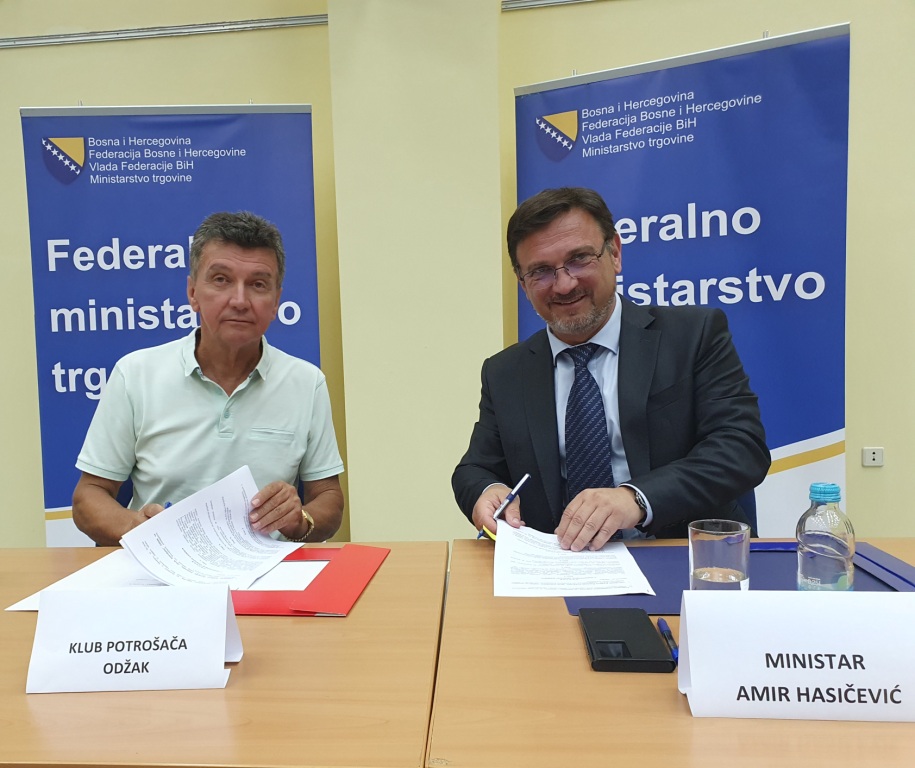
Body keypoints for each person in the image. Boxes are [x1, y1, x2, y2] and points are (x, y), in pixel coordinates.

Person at [452, 187, 770, 551]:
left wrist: (636, 498)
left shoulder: (693, 335)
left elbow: (741, 448)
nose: (564, 284)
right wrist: (488, 491)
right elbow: (475, 469)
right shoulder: (506, 372)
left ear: (615, 253)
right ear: (523, 284)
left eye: (579, 259)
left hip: (684, 556)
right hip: (561, 564)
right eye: (540, 271)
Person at [73, 211, 344, 546]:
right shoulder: (135, 374)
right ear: (193, 293)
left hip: (266, 568)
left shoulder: (306, 382)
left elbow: (329, 497)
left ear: (276, 301)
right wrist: (136, 527)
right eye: (221, 280)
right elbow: (88, 496)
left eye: (258, 285)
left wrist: (300, 519)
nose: (240, 301)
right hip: (162, 564)